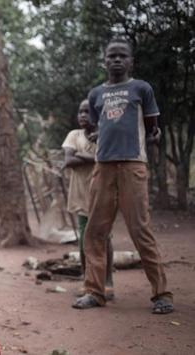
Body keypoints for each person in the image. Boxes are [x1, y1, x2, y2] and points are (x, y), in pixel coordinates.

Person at [72, 38, 173, 314]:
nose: (116, 60)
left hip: (132, 165)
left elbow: (152, 127)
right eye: (111, 56)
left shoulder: (141, 89)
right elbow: (95, 127)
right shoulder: (95, 95)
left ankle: (162, 294)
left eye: (122, 56)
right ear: (105, 61)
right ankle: (95, 291)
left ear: (131, 61)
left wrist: (151, 135)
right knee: (95, 231)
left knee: (140, 229)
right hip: (102, 167)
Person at [62, 99, 114, 299]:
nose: (83, 115)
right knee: (84, 238)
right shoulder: (74, 135)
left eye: (87, 112)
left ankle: (107, 281)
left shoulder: (106, 136)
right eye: (80, 111)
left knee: (104, 237)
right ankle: (87, 279)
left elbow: (107, 157)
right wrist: (93, 156)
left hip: (102, 193)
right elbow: (68, 161)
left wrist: (82, 155)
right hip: (81, 195)